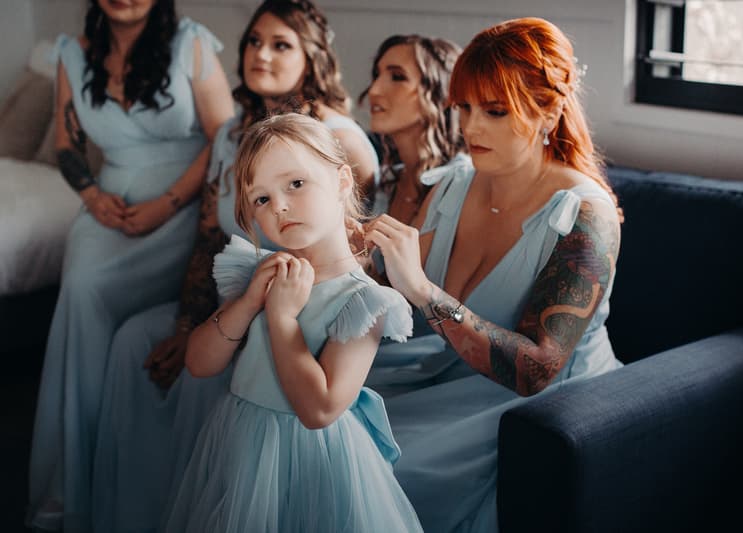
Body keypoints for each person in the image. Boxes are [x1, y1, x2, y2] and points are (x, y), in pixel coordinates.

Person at [91, 1, 381, 531]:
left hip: (310, 309)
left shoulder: (335, 135)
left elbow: (358, 234)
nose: (260, 54)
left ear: (312, 57)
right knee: (139, 342)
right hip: (242, 312)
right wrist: (197, 322)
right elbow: (208, 239)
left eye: (280, 44)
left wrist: (282, 309)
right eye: (252, 41)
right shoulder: (230, 136)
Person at [363, 17, 624, 532]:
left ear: (549, 110)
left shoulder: (584, 216)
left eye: (495, 111)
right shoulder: (457, 181)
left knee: (374, 465)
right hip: (444, 372)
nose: (471, 128)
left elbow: (537, 369)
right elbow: (389, 276)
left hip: (540, 408)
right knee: (304, 415)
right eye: (464, 107)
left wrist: (422, 289)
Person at [160, 112, 422, 532]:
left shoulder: (364, 299)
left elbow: (320, 409)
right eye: (260, 199)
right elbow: (199, 364)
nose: (278, 205)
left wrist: (282, 319)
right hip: (240, 441)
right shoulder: (259, 273)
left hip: (312, 460)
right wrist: (248, 303)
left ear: (340, 182)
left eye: (295, 184)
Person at [27, 0, 234, 530]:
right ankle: (75, 481)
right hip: (109, 206)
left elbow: (225, 139)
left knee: (129, 322)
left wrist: (168, 204)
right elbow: (67, 143)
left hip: (183, 208)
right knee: (81, 288)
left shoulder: (191, 43)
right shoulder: (73, 54)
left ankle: (135, 475)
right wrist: (93, 197)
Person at [360, 34, 464, 224]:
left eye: (397, 77)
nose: (374, 90)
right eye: (377, 75)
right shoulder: (386, 183)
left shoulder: (462, 181)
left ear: (443, 95)